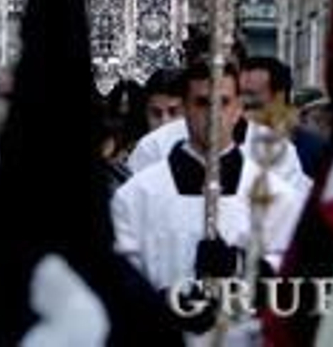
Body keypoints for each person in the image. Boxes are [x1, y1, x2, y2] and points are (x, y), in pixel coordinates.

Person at [111, 63, 307, 301]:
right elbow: (119, 280)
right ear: (185, 109)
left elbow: (297, 276)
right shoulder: (137, 196)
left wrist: (240, 265)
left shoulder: (279, 197)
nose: (213, 115)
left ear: (238, 109)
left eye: (223, 102)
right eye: (202, 103)